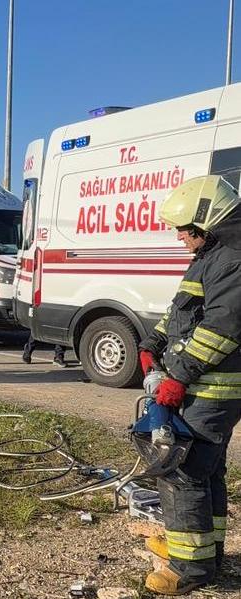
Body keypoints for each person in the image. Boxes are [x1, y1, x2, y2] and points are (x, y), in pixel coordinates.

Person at [134, 175, 241, 596]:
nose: (178, 236)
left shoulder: (231, 258)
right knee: (207, 469)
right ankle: (205, 550)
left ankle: (189, 568)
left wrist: (177, 375)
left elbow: (222, 328)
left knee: (182, 469)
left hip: (213, 388)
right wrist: (152, 343)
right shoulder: (212, 255)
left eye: (183, 229)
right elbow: (183, 314)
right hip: (206, 384)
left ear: (206, 222)